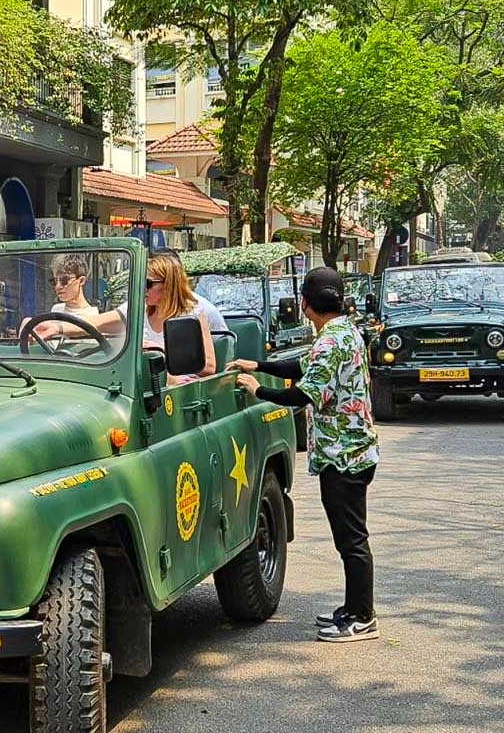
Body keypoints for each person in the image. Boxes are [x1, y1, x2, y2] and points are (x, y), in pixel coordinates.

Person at [227, 266, 380, 643]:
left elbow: (303, 394)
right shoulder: (345, 332)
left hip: (344, 455)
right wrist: (259, 364)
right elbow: (304, 367)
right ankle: (352, 608)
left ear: (305, 304)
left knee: (351, 540)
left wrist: (256, 389)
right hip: (352, 451)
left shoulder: (330, 341)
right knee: (350, 537)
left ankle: (363, 617)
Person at [30, 251, 215, 384]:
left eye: (148, 284)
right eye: (139, 282)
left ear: (168, 285)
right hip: (140, 387)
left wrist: (159, 352)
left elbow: (208, 367)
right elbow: (94, 324)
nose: (142, 288)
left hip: (177, 395)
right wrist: (56, 328)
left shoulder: (191, 314)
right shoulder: (136, 310)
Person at [49, 253, 96, 321]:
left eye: (65, 280)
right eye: (54, 281)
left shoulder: (94, 316)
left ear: (81, 281)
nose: (58, 286)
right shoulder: (56, 309)